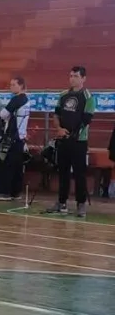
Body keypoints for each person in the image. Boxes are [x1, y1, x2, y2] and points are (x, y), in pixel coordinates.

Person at [45, 66, 96, 217]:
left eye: (75, 76)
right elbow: (56, 115)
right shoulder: (63, 95)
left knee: (79, 173)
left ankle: (81, 204)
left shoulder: (88, 97)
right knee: (63, 172)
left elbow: (86, 119)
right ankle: (62, 203)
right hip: (63, 140)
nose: (72, 79)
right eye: (71, 76)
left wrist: (73, 134)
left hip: (79, 141)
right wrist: (59, 129)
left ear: (83, 78)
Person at [0, 77, 30, 201]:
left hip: (11, 138)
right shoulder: (26, 99)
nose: (11, 87)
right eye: (10, 84)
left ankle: (4, 192)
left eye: (14, 84)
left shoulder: (16, 99)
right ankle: (15, 192)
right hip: (20, 138)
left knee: (4, 165)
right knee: (17, 167)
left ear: (21, 86)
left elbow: (1, 115)